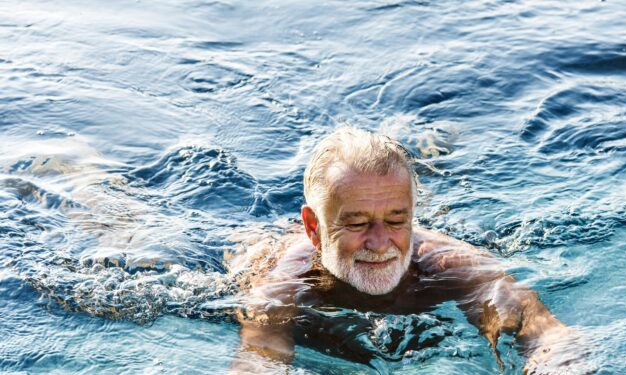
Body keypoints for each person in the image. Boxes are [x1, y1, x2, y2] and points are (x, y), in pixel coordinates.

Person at [229, 126, 586, 374]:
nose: (381, 242)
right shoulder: (281, 289)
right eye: (357, 223)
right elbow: (259, 361)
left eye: (397, 220)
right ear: (313, 228)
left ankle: (432, 144)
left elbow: (548, 334)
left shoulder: (449, 263)